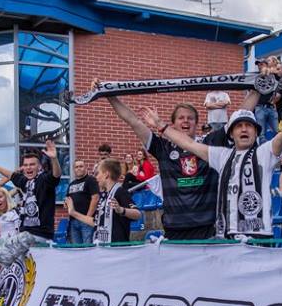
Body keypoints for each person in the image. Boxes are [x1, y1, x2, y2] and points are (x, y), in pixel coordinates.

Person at [152, 82, 282, 239]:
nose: (244, 129)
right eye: (239, 126)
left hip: (258, 236)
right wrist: (162, 126)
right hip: (227, 237)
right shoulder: (221, 156)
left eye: (249, 126)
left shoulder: (264, 153)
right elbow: (188, 144)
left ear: (256, 132)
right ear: (231, 133)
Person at [102, 82, 256, 240]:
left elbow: (240, 116)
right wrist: (109, 95)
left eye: (190, 118)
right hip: (174, 229)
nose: (186, 121)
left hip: (208, 228)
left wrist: (258, 89)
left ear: (196, 123)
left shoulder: (209, 143)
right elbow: (133, 121)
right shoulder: (163, 147)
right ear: (173, 124)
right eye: (181, 118)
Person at [0, 140, 61, 241]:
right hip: (25, 232)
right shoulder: (25, 181)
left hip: (39, 234)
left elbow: (56, 175)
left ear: (39, 167)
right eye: (26, 165)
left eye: (32, 164)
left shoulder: (43, 179)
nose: (28, 167)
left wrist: (54, 159)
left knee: (3, 250)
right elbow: (11, 175)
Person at [66, 158, 141, 244]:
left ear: (106, 175)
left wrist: (121, 210)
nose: (96, 177)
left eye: (98, 173)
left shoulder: (120, 191)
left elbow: (138, 214)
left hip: (116, 247)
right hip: (102, 246)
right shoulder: (103, 196)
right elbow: (95, 222)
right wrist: (73, 213)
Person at [64, 159, 99, 244]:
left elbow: (95, 198)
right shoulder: (71, 184)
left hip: (86, 221)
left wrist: (87, 217)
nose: (79, 168)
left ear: (85, 167)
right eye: (76, 167)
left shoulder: (91, 180)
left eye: (81, 166)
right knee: (76, 249)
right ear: (74, 169)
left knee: (87, 248)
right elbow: (68, 199)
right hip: (73, 221)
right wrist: (66, 204)